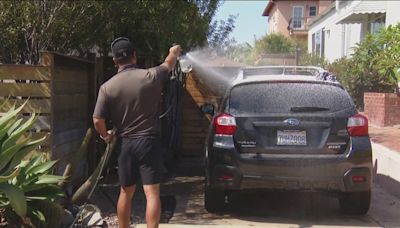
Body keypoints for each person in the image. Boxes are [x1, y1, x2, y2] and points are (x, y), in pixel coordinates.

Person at [93, 37, 181, 228]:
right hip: (149, 142)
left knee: (126, 192)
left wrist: (105, 135)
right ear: (134, 56)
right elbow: (169, 63)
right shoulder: (151, 76)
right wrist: (174, 51)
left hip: (126, 144)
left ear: (115, 60)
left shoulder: (107, 88)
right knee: (152, 193)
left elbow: (97, 120)